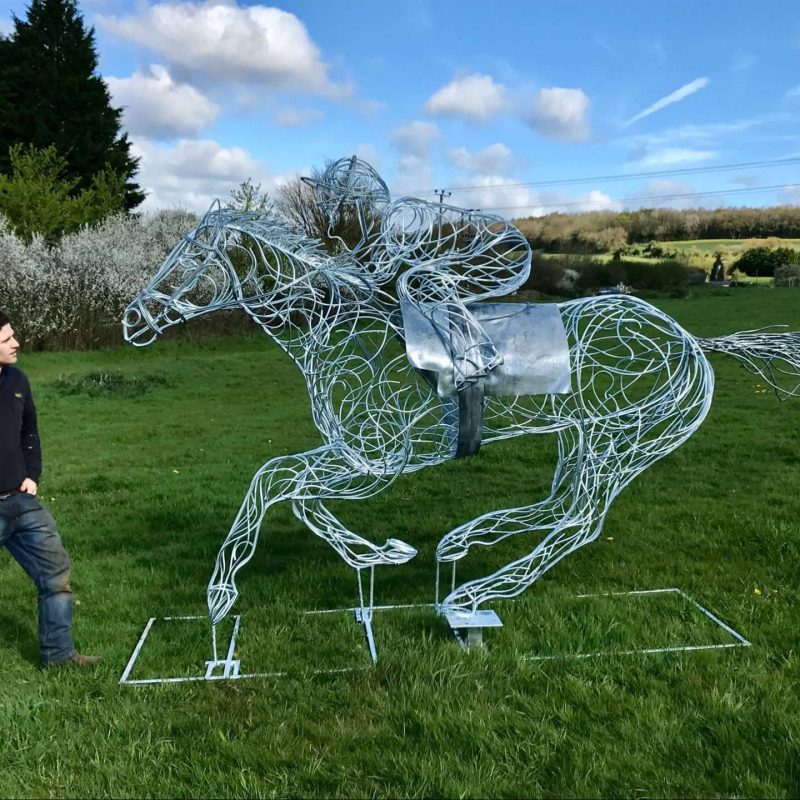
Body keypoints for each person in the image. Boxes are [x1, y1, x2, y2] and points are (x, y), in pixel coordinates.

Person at [0, 311, 100, 668]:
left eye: (12, 336)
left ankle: (58, 656)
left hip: (21, 500)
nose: (16, 343)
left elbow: (30, 433)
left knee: (56, 574)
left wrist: (32, 475)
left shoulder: (17, 380)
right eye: (6, 339)